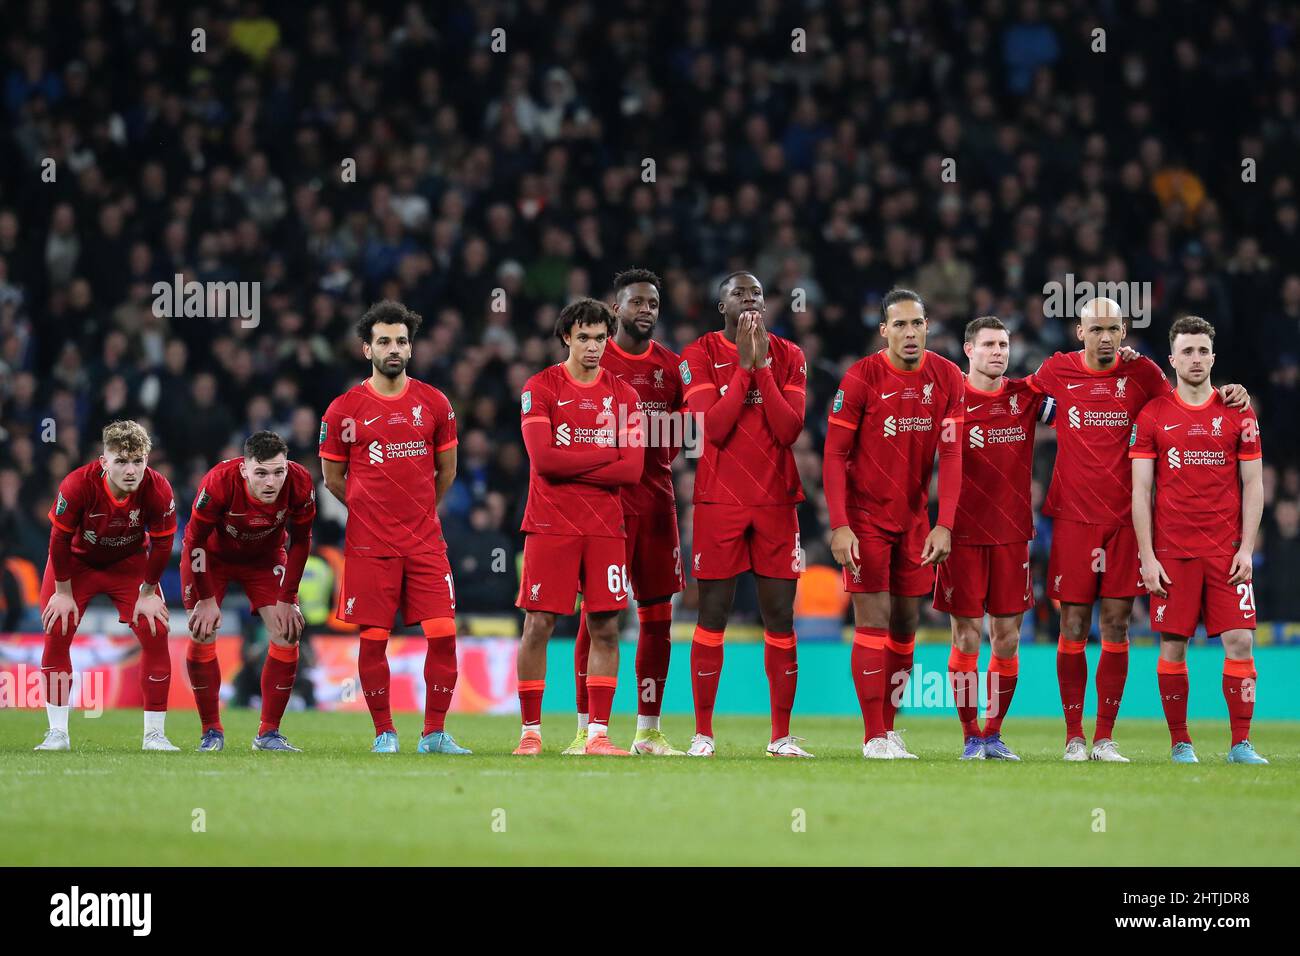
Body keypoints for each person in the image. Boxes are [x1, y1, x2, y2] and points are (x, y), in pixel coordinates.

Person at [1025, 297, 1250, 761]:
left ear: (1124, 331)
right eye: (1096, 329)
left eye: (1113, 329)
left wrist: (1233, 392)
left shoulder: (1144, 374)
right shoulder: (1058, 370)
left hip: (1127, 522)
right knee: (1071, 623)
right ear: (1079, 333)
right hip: (1073, 518)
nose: (1105, 337)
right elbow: (1020, 398)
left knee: (1117, 624)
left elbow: (1189, 402)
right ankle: (1073, 736)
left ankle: (1104, 737)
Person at [319, 300, 469, 755]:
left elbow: (447, 472)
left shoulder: (435, 402)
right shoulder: (344, 410)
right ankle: (385, 731)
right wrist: (371, 513)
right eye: (384, 341)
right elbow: (331, 478)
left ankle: (434, 734)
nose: (394, 348)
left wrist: (417, 510)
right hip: (369, 545)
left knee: (443, 633)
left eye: (401, 340)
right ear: (367, 349)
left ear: (411, 348)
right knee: (374, 640)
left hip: (425, 540)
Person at [824, 289, 964, 759]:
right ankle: (873, 736)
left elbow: (953, 454)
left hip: (914, 521)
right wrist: (840, 525)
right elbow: (834, 454)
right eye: (900, 325)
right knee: (873, 620)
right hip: (866, 520)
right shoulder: (861, 378)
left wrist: (944, 524)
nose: (910, 333)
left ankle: (888, 727)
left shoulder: (946, 377)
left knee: (907, 624)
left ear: (928, 327)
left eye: (917, 324)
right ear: (884, 330)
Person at [680, 271, 811, 758]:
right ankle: (702, 734)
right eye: (739, 293)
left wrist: (761, 370)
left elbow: (788, 430)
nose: (751, 299)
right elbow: (712, 428)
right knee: (712, 614)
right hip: (719, 501)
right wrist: (746, 370)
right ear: (722, 307)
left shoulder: (791, 356)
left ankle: (780, 736)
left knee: (779, 617)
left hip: (777, 501)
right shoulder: (697, 355)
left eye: (757, 292)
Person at [1130, 316, 1268, 764]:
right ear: (1172, 359)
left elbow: (1254, 484)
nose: (1195, 359)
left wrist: (1247, 547)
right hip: (1173, 553)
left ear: (1213, 356)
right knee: (1172, 646)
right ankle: (1180, 742)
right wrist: (1147, 558)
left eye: (1202, 351)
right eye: (1186, 351)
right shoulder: (1153, 415)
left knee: (1242, 642)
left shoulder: (1238, 411)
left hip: (1226, 552)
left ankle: (1241, 743)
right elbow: (1140, 491)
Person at [513, 297, 645, 756]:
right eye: (584, 337)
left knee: (606, 627)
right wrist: (607, 454)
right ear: (566, 336)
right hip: (551, 524)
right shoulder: (541, 386)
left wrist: (576, 464)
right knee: (539, 624)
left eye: (601, 338)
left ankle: (598, 735)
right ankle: (530, 732)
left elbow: (632, 472)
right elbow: (544, 461)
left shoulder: (624, 395)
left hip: (605, 527)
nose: (593, 346)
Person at [566, 269, 687, 756]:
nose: (646, 311)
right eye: (637, 302)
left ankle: (648, 730)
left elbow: (685, 431)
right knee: (597, 618)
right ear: (617, 309)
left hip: (657, 503)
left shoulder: (673, 368)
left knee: (658, 620)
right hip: (604, 507)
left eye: (653, 304)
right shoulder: (595, 358)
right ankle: (584, 729)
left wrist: (648, 460)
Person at [934, 316, 1054, 760]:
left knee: (1007, 637)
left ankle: (993, 734)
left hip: (1011, 535)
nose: (998, 352)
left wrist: (1126, 366)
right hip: (959, 536)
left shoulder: (1026, 398)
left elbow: (1080, 412)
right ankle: (970, 736)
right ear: (968, 350)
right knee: (965, 637)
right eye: (988, 345)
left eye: (1003, 344)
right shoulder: (949, 398)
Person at [36, 420, 178, 752]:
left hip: (128, 565)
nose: (131, 470)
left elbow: (162, 545)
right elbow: (58, 539)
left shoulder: (158, 490)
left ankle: (154, 736)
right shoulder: (77, 485)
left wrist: (147, 593)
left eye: (138, 461)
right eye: (121, 461)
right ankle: (57, 732)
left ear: (147, 460)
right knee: (57, 629)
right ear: (104, 462)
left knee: (156, 630)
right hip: (75, 564)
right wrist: (62, 592)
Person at [181, 430, 315, 752]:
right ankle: (211, 732)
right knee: (203, 631)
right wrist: (206, 599)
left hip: (264, 559)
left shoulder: (300, 482)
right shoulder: (218, 482)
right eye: (262, 473)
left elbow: (301, 541)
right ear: (244, 469)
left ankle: (268, 734)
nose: (271, 482)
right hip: (212, 558)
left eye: (278, 472)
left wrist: (287, 599)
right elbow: (195, 541)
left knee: (287, 632)